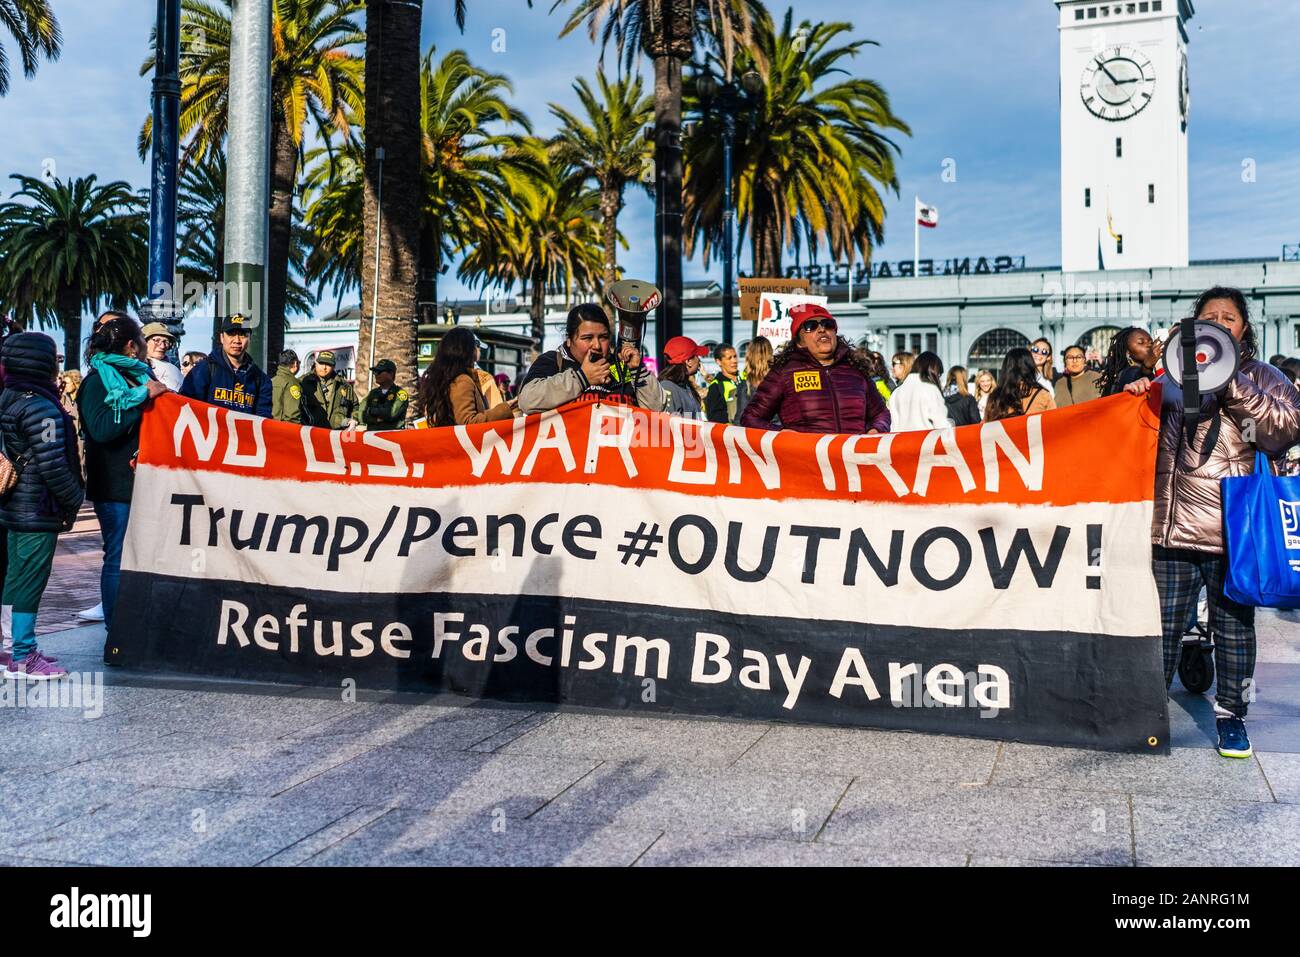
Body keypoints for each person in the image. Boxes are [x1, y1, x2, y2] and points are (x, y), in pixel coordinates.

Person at [1126, 287, 1300, 759]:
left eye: (1230, 317)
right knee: (1159, 625)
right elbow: (1137, 435)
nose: (1220, 322)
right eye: (1210, 316)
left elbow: (1281, 432)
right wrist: (1138, 395)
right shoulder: (1171, 377)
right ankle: (1148, 710)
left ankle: (1231, 716)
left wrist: (1228, 381)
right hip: (1173, 524)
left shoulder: (1265, 378)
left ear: (1244, 328)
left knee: (1234, 628)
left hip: (1235, 530)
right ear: (1194, 325)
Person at [77, 314, 169, 665]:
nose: (147, 348)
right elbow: (101, 429)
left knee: (141, 557)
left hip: (144, 481)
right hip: (115, 486)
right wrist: (141, 399)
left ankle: (139, 629)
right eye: (143, 342)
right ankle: (117, 637)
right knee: (117, 556)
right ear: (132, 346)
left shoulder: (137, 376)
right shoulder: (99, 380)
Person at [0, 332, 84, 679]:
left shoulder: (8, 397)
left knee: (14, 579)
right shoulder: (40, 407)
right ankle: (23, 655)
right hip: (37, 508)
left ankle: (7, 650)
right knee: (30, 582)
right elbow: (53, 465)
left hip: (13, 506)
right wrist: (74, 499)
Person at [740, 303, 890, 435]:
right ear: (799, 341)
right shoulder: (784, 372)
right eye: (811, 326)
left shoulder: (856, 370)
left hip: (852, 463)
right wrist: (780, 433)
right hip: (806, 464)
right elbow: (751, 418)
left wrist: (875, 429)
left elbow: (881, 413)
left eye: (828, 324)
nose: (821, 329)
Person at [516, 303, 668, 413]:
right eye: (587, 338)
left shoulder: (620, 366)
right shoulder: (553, 361)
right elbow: (527, 400)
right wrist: (582, 378)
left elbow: (656, 409)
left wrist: (637, 370)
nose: (596, 345)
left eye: (603, 337)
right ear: (569, 339)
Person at [180, 314, 273, 416]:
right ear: (222, 337)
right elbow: (186, 407)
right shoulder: (203, 369)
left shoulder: (261, 379)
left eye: (242, 335)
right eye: (231, 334)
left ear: (249, 338)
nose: (237, 340)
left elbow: (263, 419)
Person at [420, 326, 513, 426]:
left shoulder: (442, 378)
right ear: (466, 350)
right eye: (475, 345)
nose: (477, 349)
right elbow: (468, 422)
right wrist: (505, 408)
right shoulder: (462, 380)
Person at [888, 351, 953, 433]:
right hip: (926, 443)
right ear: (933, 370)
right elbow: (941, 425)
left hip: (901, 443)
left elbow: (893, 427)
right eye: (939, 375)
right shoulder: (930, 389)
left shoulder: (896, 392)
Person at [984, 347, 1055, 421]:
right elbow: (1054, 423)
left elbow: (986, 428)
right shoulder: (1043, 395)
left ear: (1006, 368)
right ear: (1031, 367)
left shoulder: (995, 396)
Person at [299, 350, 358, 429]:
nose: (324, 367)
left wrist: (353, 420)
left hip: (335, 434)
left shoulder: (344, 386)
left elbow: (355, 406)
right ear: (316, 364)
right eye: (321, 363)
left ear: (334, 366)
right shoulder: (303, 382)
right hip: (310, 433)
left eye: (328, 364)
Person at [1096, 326, 1162, 396]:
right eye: (1141, 342)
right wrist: (1147, 367)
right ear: (1128, 353)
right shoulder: (1126, 373)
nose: (1148, 345)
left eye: (1151, 342)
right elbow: (1137, 377)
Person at [659, 336, 708, 419]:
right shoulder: (667, 387)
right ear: (688, 361)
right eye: (697, 356)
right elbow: (668, 426)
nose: (699, 360)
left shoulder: (685, 385)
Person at [359, 358, 410, 430]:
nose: (376, 375)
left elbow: (391, 414)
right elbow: (360, 414)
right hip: (372, 437)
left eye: (379, 372)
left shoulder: (400, 394)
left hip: (391, 438)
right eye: (375, 372)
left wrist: (370, 410)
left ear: (391, 374)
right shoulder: (373, 393)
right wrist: (376, 419)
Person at [737, 336, 773, 422]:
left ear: (749, 354)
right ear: (770, 353)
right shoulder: (781, 378)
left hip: (755, 432)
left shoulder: (746, 384)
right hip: (779, 431)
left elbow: (740, 418)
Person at [140, 322, 184, 391]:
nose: (162, 346)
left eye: (166, 341)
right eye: (157, 340)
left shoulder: (171, 367)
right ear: (144, 342)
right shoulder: (137, 368)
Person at [705, 343, 742, 424]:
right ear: (718, 362)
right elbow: (713, 417)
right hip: (733, 433)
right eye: (729, 358)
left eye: (735, 356)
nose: (734, 361)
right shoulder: (716, 386)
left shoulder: (744, 378)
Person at [271, 349, 303, 423]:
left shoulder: (272, 381)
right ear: (295, 364)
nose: (297, 366)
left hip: (271, 426)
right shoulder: (292, 383)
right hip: (286, 429)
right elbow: (293, 415)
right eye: (298, 363)